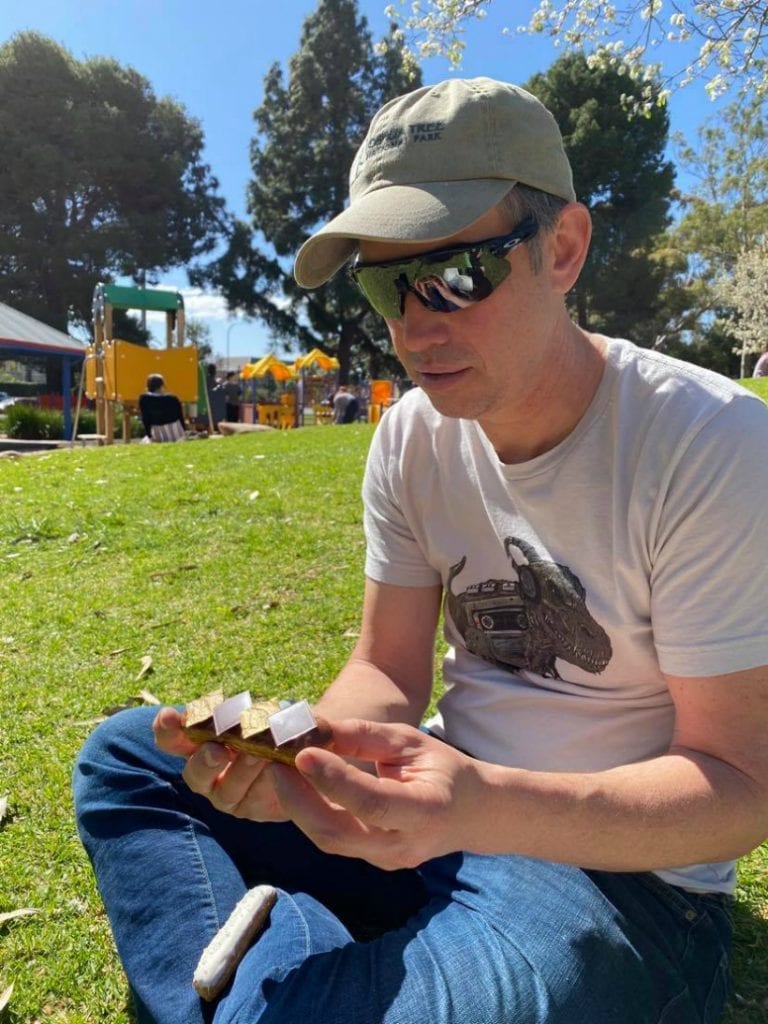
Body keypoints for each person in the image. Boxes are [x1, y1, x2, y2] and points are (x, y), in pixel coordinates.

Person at [73, 77, 768, 1024]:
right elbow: (384, 670)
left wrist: (483, 804)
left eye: (455, 272)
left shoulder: (708, 444)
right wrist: (310, 764)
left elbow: (742, 786)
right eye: (382, 282)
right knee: (123, 760)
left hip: (618, 882)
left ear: (562, 248)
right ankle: (305, 965)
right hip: (429, 814)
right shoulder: (412, 438)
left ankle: (276, 963)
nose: (414, 323)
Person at [137, 373, 186, 442]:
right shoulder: (173, 399)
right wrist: (183, 430)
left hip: (157, 432)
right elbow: (180, 416)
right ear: (162, 385)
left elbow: (146, 418)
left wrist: (149, 435)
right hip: (176, 431)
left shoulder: (144, 399)